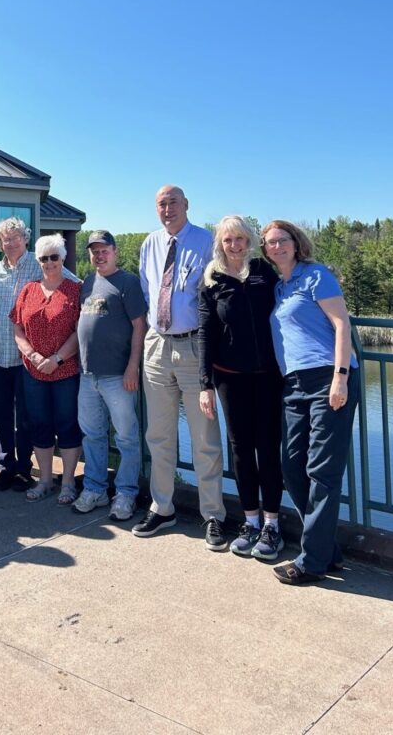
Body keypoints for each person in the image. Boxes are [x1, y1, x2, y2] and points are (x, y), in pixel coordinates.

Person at [261, 220, 360, 585]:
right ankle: (327, 550)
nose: (276, 247)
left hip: (327, 380)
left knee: (322, 471)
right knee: (291, 467)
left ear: (295, 242)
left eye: (282, 240)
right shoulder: (280, 288)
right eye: (269, 243)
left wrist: (340, 377)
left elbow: (341, 325)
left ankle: (312, 562)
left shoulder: (316, 275)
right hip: (294, 385)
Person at [134, 185, 227, 548]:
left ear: (187, 205)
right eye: (161, 203)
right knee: (158, 434)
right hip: (156, 346)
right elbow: (147, 290)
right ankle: (163, 507)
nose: (168, 208)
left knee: (204, 437)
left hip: (193, 346)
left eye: (174, 202)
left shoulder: (207, 241)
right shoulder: (150, 243)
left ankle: (213, 515)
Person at [197, 216, 284, 559]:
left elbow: (287, 307)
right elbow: (206, 333)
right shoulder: (211, 280)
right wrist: (205, 384)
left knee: (268, 447)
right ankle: (250, 521)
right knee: (241, 449)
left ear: (250, 242)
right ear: (220, 243)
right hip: (229, 377)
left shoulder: (264, 271)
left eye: (241, 239)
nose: (235, 246)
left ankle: (272, 525)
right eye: (228, 240)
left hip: (268, 375)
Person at [0, 217, 81, 493]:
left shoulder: (40, 261)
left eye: (16, 237)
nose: (11, 243)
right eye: (5, 239)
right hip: (0, 353)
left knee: (28, 418)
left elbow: (72, 283)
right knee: (1, 415)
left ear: (25, 239)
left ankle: (24, 470)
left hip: (29, 362)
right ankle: (6, 467)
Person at [73, 231, 146, 521]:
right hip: (87, 374)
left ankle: (126, 494)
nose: (99, 255)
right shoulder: (88, 283)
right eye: (94, 251)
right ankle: (95, 489)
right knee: (93, 435)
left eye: (104, 250)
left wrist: (132, 367)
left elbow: (139, 326)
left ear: (114, 252)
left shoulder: (128, 282)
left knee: (127, 437)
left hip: (118, 375)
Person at [11, 233, 81, 504]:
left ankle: (67, 483)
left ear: (62, 258)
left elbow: (79, 331)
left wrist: (57, 359)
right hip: (33, 371)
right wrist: (32, 354)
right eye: (44, 258)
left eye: (54, 257)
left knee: (67, 425)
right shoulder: (29, 289)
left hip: (65, 371)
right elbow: (17, 325)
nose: (49, 262)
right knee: (39, 425)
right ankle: (45, 480)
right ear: (38, 261)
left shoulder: (75, 289)